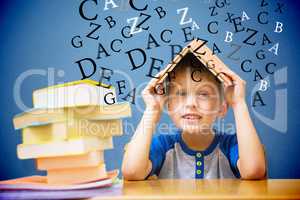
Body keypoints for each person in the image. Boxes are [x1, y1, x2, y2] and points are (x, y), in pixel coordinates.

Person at [122, 53, 266, 180]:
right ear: (168, 105)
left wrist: (238, 103)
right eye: (181, 93)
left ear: (221, 108)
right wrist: (152, 110)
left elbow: (253, 171)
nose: (191, 103)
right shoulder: (163, 146)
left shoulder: (231, 146)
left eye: (203, 94)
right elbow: (132, 172)